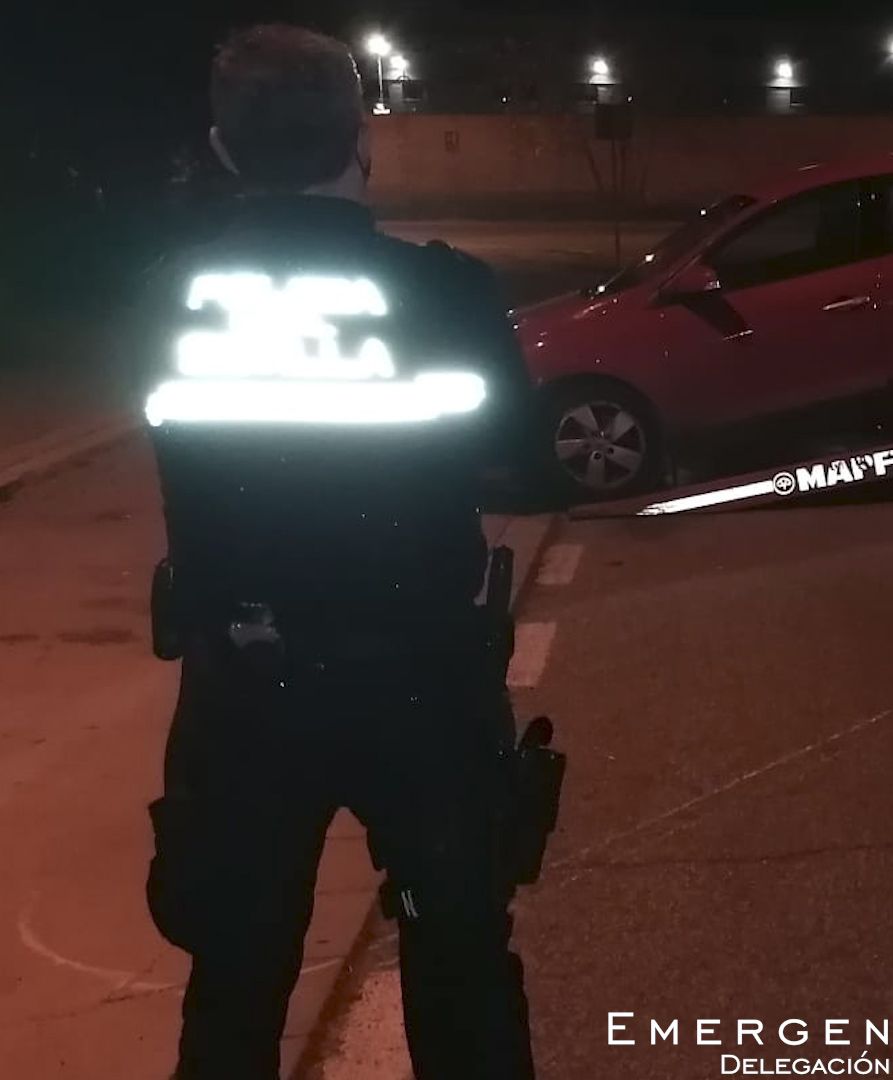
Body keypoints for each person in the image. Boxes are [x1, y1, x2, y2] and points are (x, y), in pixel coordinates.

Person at [140, 25, 555, 1079]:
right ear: (360, 142)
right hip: (421, 682)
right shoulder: (447, 291)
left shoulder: (168, 297)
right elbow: (521, 461)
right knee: (460, 959)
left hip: (244, 680)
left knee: (234, 976)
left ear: (225, 150)